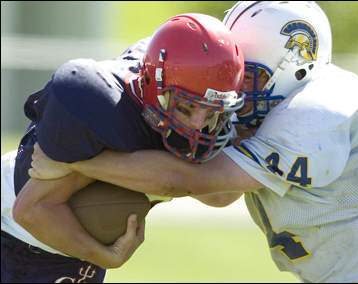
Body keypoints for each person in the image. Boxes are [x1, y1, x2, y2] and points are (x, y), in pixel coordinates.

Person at [30, 1, 358, 283]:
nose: (233, 90)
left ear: (295, 67)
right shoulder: (281, 99)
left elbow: (198, 182)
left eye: (247, 77)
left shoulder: (319, 112)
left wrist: (76, 160)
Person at [1, 13, 245, 283]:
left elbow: (218, 193)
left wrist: (80, 163)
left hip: (64, 248)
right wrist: (106, 256)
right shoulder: (102, 106)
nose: (199, 125)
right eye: (187, 107)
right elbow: (30, 211)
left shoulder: (206, 101)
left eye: (211, 112)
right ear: (155, 86)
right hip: (16, 236)